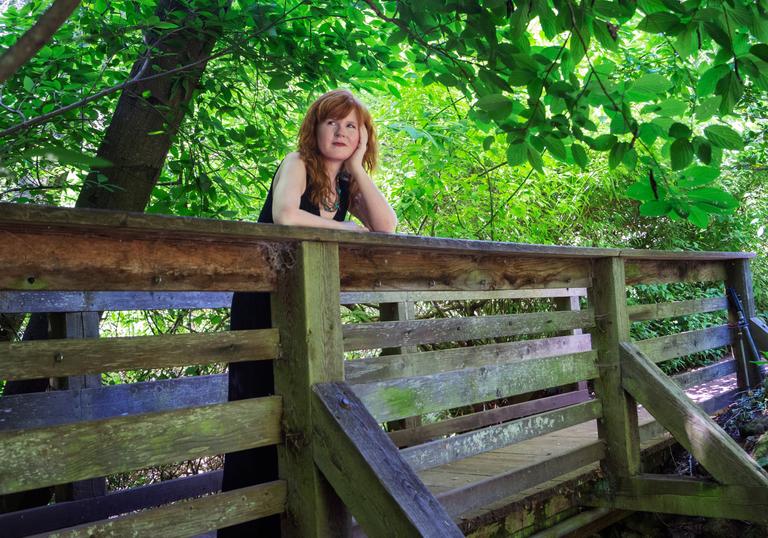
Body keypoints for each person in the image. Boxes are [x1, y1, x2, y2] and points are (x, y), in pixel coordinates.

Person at [218, 89, 396, 537]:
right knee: (259, 403)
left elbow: (387, 227)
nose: (340, 132)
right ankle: (245, 528)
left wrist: (356, 169)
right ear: (314, 128)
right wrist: (346, 228)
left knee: (301, 400)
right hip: (264, 302)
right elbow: (285, 217)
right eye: (332, 123)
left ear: (363, 136)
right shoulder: (298, 163)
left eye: (351, 126)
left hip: (306, 304)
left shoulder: (343, 183)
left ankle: (289, 516)